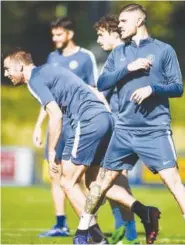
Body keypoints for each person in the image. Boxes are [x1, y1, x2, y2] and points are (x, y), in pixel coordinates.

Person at [74, 4, 185, 245]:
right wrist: (128, 69)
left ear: (139, 21)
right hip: (123, 130)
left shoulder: (164, 50)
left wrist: (152, 89)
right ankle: (81, 233)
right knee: (100, 183)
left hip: (155, 130)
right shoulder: (119, 53)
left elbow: (178, 87)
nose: (119, 25)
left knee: (174, 183)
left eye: (124, 21)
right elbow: (102, 82)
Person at [4, 48, 160, 245]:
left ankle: (94, 237)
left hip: (88, 121)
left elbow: (56, 115)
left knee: (67, 182)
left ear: (20, 65)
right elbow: (90, 89)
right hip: (104, 118)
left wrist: (52, 151)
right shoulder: (51, 69)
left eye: (8, 69)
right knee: (95, 183)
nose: (6, 74)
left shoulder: (35, 79)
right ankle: (145, 211)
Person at [32, 16, 98, 237]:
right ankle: (60, 223)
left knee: (76, 177)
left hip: (78, 123)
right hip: (56, 124)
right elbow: (48, 98)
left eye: (58, 34)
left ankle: (89, 222)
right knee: (55, 174)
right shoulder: (52, 58)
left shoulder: (85, 58)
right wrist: (38, 126)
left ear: (70, 34)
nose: (55, 38)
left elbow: (93, 89)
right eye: (53, 34)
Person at [95, 15, 138, 244]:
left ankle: (129, 234)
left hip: (121, 126)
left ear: (114, 33)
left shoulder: (123, 55)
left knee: (113, 179)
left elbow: (105, 89)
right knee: (110, 180)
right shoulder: (118, 56)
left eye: (101, 34)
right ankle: (123, 232)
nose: (98, 39)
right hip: (117, 125)